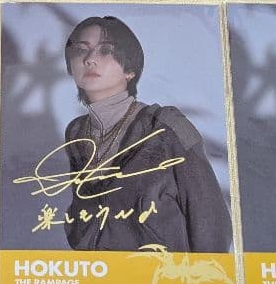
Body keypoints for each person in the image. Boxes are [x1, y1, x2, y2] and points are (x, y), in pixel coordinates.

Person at [61, 16, 232, 253]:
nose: (90, 59)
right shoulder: (77, 132)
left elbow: (211, 224)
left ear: (130, 69)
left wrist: (205, 273)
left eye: (106, 50)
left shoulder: (167, 126)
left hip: (163, 272)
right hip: (97, 271)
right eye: (81, 50)